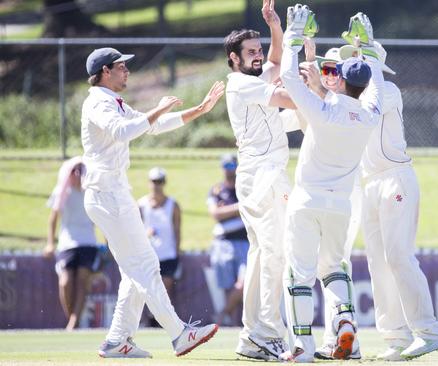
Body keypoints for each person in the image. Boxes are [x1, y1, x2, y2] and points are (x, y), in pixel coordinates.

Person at [81, 46, 224, 358]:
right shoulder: (98, 103)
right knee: (145, 265)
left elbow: (153, 126)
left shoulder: (112, 101)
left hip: (112, 195)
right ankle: (179, 333)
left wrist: (199, 109)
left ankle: (118, 340)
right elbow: (123, 131)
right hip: (108, 196)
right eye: (121, 66)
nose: (127, 71)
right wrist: (158, 108)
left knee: (136, 271)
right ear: (106, 71)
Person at [279, 8, 384, 362]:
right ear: (364, 84)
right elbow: (377, 81)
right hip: (341, 205)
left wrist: (293, 33)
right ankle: (344, 325)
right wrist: (366, 45)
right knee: (335, 269)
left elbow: (287, 76)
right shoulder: (370, 113)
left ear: (339, 78)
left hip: (307, 200)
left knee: (300, 273)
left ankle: (303, 347)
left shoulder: (322, 110)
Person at [223, 0, 299, 360]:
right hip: (261, 176)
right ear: (234, 59)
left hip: (266, 176)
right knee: (274, 254)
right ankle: (266, 332)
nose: (258, 56)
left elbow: (275, 61)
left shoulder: (255, 76)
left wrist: (274, 26)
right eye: (250, 52)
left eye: (258, 50)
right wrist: (324, 94)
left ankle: (253, 335)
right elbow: (286, 96)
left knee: (263, 255)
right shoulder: (239, 83)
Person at [44, 156, 99, 331]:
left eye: (81, 170)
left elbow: (102, 218)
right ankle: (73, 321)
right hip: (67, 243)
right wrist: (50, 243)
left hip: (88, 243)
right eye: (74, 171)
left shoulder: (92, 191)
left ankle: (72, 324)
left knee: (82, 279)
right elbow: (53, 218)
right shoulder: (62, 192)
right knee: (65, 282)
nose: (77, 174)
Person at [207, 154, 249, 326]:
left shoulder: (244, 188)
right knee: (227, 287)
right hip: (222, 243)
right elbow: (215, 214)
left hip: (245, 242)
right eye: (227, 166)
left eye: (232, 166)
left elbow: (251, 207)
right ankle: (232, 324)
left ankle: (222, 315)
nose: (229, 170)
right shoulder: (216, 190)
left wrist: (228, 210)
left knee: (243, 284)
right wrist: (239, 207)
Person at [138, 167, 182, 326]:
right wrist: (146, 233)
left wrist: (177, 253)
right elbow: (135, 231)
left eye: (160, 181)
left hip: (168, 254)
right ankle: (150, 321)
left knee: (166, 289)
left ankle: (165, 322)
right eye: (154, 181)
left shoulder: (173, 204)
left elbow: (177, 230)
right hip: (148, 255)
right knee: (149, 291)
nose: (156, 185)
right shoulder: (141, 204)